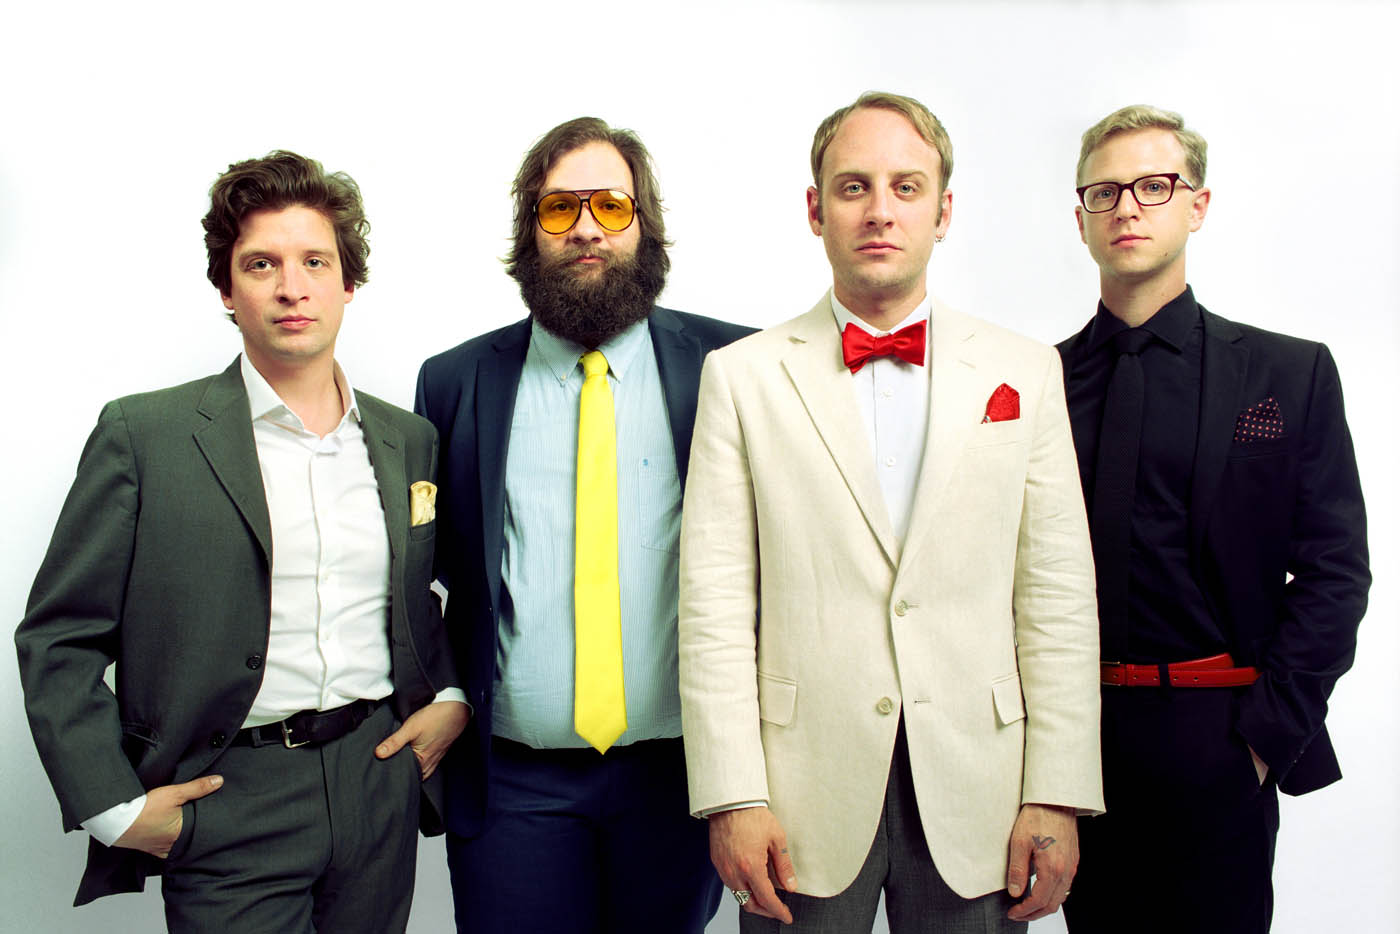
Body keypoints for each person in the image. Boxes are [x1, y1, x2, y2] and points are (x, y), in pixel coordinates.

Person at [678, 90, 1103, 933]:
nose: (880, 210)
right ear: (815, 210)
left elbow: (1056, 597)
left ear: (943, 212)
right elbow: (714, 605)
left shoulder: (1025, 371)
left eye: (907, 187)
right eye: (854, 187)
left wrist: (1057, 789)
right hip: (797, 794)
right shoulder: (741, 375)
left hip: (983, 789)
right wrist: (732, 794)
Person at [15, 150, 469, 933]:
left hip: (377, 779)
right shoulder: (144, 435)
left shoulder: (409, 439)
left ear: (347, 283)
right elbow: (60, 636)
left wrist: (451, 697)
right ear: (227, 290)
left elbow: (417, 597)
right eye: (262, 264)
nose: (292, 286)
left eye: (314, 261)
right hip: (230, 794)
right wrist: (112, 807)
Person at [414, 116, 752, 934]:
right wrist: (445, 688)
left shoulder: (734, 367)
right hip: (512, 785)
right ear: (530, 232)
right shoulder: (456, 381)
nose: (588, 228)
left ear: (645, 224)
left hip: (683, 778)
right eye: (560, 208)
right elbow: (425, 573)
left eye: (611, 205)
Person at [1057, 105, 1369, 934]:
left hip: (1222, 734)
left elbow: (1337, 571)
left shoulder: (1288, 373)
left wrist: (1264, 739)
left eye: (1154, 186)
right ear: (1081, 218)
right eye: (1104, 191)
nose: (1127, 206)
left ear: (1197, 205)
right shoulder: (1037, 382)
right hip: (1073, 742)